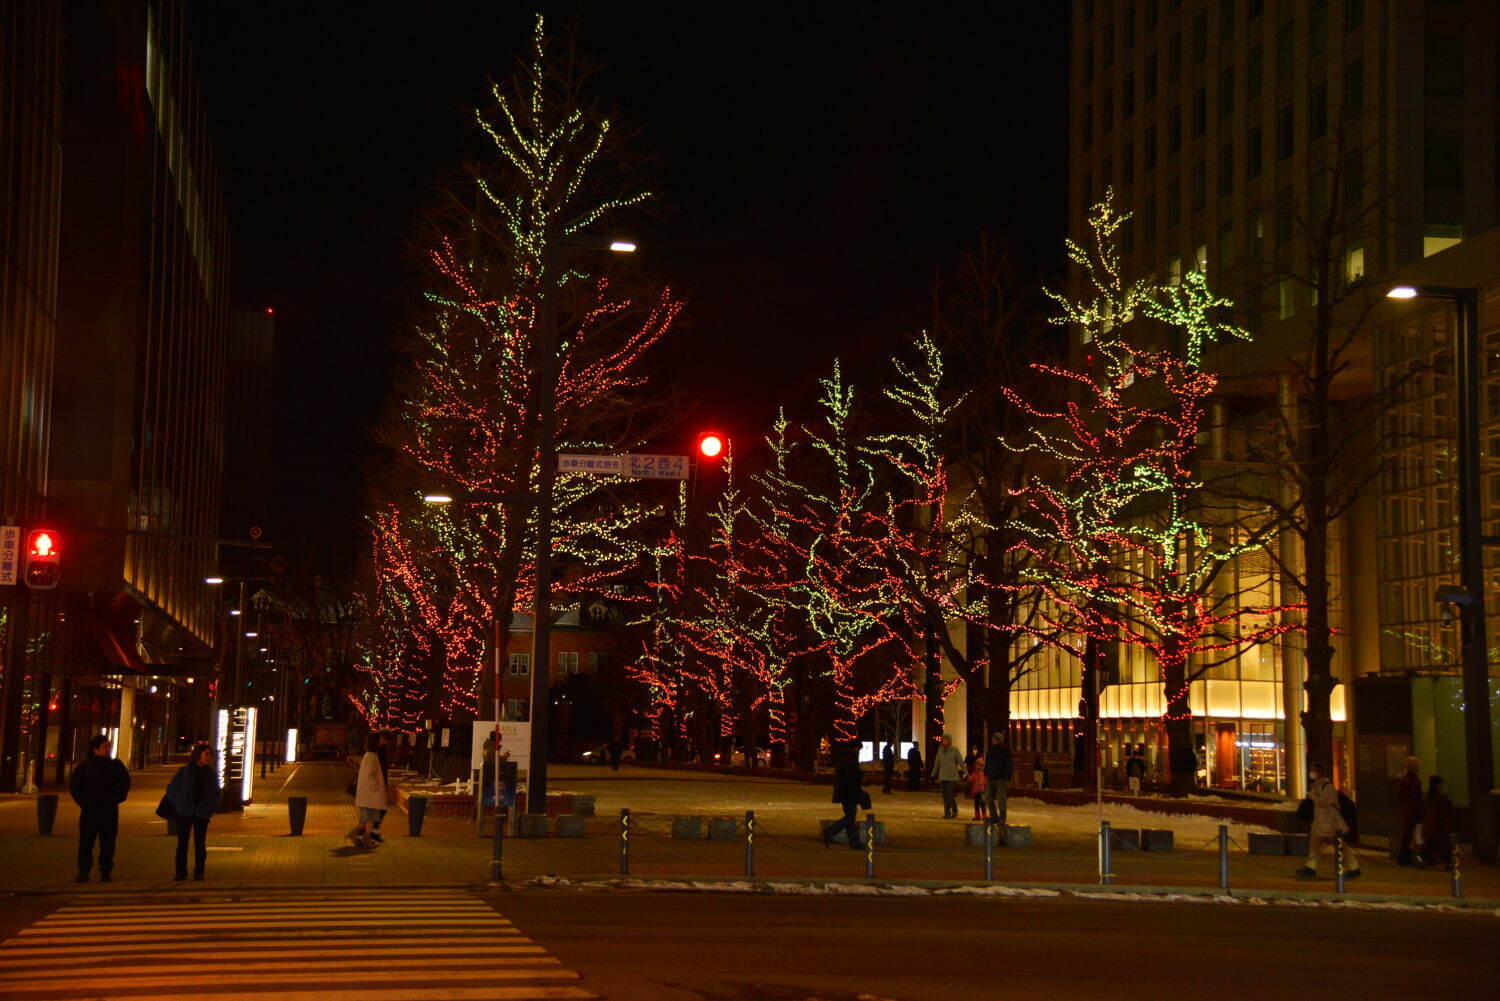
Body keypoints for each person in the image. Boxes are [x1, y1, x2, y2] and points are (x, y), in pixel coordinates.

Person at [69, 735, 130, 883]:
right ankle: (84, 871)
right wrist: (83, 802)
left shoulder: (115, 765)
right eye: (105, 747)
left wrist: (117, 798)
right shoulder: (85, 767)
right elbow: (75, 787)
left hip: (108, 810)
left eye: (109, 746)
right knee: (86, 843)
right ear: (95, 749)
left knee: (107, 843)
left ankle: (105, 871)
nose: (108, 750)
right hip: (91, 810)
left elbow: (125, 783)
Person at [1294, 762, 1361, 879]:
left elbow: (1323, 802)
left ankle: (1353, 867)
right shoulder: (1317, 786)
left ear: (1319, 773)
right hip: (1320, 822)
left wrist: (1312, 795)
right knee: (1315, 844)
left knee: (1339, 845)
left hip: (1329, 823)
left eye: (1313, 771)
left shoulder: (1327, 786)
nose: (1311, 773)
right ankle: (1310, 867)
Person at [165, 742, 222, 881]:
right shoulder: (184, 771)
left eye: (210, 755)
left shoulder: (212, 773)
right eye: (206, 754)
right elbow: (171, 789)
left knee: (200, 844)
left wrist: (211, 808)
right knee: (182, 843)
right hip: (184, 812)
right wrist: (180, 802)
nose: (209, 757)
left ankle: (199, 872)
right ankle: (181, 872)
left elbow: (217, 793)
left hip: (202, 813)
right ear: (198, 756)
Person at [822, 746, 867, 849]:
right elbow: (851, 778)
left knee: (850, 817)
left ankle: (854, 842)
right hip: (849, 793)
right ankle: (830, 831)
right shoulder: (851, 759)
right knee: (850, 817)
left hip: (845, 793)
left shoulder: (844, 758)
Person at [349, 733, 387, 849]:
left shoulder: (368, 755)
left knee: (368, 817)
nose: (381, 741)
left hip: (367, 793)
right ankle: (363, 837)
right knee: (370, 817)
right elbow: (370, 774)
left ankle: (361, 836)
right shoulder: (372, 756)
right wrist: (376, 787)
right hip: (370, 794)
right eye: (379, 739)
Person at [1421, 775, 1456, 869]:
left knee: (1430, 844)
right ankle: (1448, 862)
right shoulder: (1442, 797)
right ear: (1439, 784)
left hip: (1429, 825)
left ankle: (1427, 859)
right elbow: (1445, 812)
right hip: (1439, 826)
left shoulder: (1427, 796)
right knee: (1444, 844)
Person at [1396, 755, 1424, 866]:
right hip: (1412, 811)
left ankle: (1404, 857)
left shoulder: (1405, 780)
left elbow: (1402, 797)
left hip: (1408, 810)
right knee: (1409, 835)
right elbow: (1416, 797)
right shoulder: (1413, 780)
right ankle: (1405, 857)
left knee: (1407, 834)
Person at [929, 734, 965, 819]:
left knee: (949, 794)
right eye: (943, 740)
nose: (944, 741)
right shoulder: (940, 750)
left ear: (949, 741)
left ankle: (954, 810)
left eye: (946, 740)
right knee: (944, 795)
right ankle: (947, 813)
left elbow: (960, 762)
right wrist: (933, 774)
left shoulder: (954, 750)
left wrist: (965, 772)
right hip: (943, 776)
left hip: (952, 776)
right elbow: (937, 763)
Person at [983, 730, 1014, 825]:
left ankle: (1002, 818)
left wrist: (1005, 776)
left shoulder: (1005, 751)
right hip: (991, 777)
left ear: (999, 740)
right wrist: (986, 772)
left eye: (995, 739)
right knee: (988, 797)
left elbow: (1008, 765)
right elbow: (988, 762)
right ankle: (994, 816)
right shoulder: (991, 750)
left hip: (1001, 779)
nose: (993, 740)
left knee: (1001, 800)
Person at [372, 732, 393, 843]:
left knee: (380, 808)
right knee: (380, 808)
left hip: (380, 782)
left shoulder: (380, 750)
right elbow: (381, 768)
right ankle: (371, 832)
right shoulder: (378, 751)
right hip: (378, 783)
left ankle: (374, 831)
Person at [966, 755, 987, 820]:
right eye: (976, 765)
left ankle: (984, 816)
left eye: (978, 765)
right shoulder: (976, 773)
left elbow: (982, 782)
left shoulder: (981, 774)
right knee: (976, 804)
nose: (977, 766)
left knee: (982, 804)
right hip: (976, 791)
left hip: (980, 791)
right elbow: (970, 778)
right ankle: (977, 815)